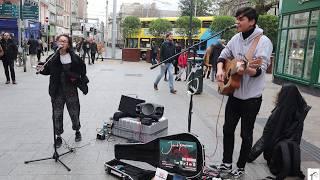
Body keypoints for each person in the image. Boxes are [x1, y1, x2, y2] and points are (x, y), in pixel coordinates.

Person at [210, 7, 273, 177]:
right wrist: (220, 69)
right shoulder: (236, 38)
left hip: (251, 99)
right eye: (236, 18)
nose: (237, 22)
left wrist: (245, 69)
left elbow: (260, 69)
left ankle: (240, 167)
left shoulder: (263, 42)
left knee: (246, 134)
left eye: (241, 19)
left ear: (252, 21)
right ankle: (226, 163)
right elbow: (223, 54)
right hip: (234, 94)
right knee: (227, 129)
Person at [36, 34, 88, 148]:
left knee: (74, 112)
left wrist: (77, 78)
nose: (62, 43)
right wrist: (41, 69)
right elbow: (47, 71)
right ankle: (58, 136)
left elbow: (82, 70)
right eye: (60, 41)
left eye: (64, 41)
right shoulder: (53, 57)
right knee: (57, 114)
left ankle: (77, 130)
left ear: (68, 44)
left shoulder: (74, 57)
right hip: (57, 90)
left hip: (70, 90)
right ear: (57, 43)